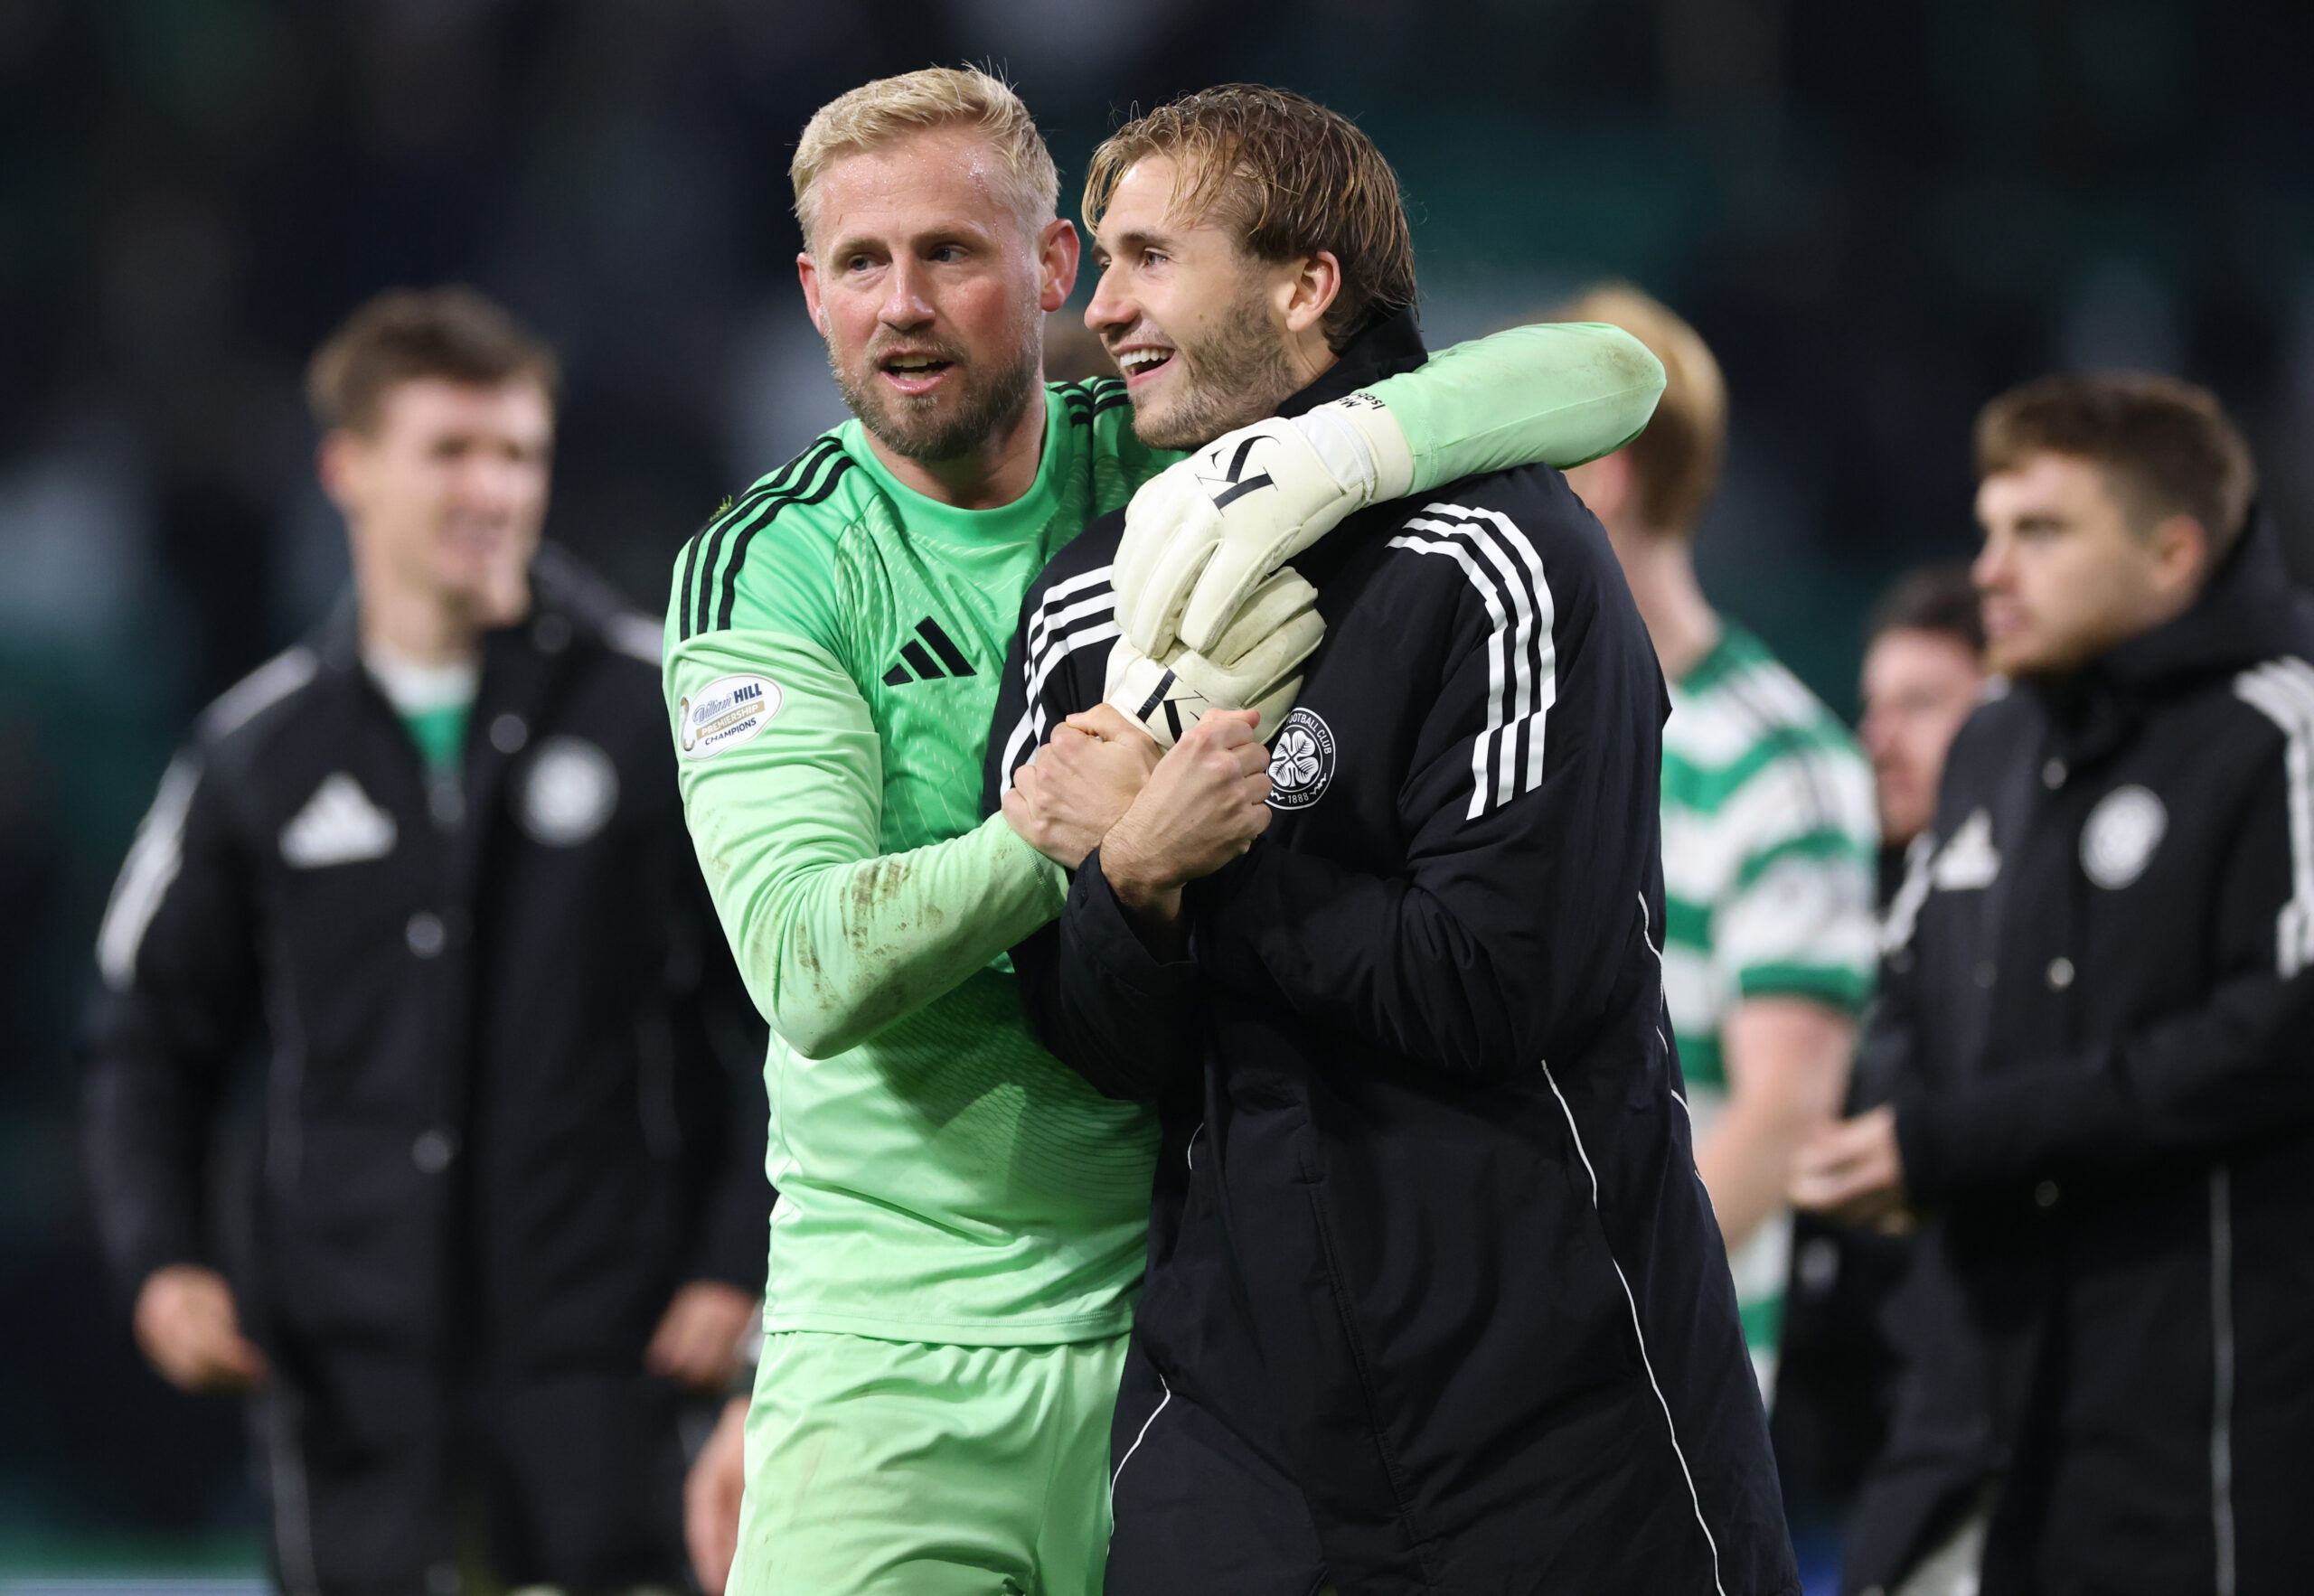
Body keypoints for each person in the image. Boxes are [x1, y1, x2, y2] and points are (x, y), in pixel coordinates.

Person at [663, 65, 1668, 1596]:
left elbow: (1611, 376)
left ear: (1052, 267)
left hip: (1188, 1331)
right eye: (861, 265)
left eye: (951, 252)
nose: (904, 305)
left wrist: (1330, 461)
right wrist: (1041, 842)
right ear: (811, 293)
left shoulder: (1177, 448)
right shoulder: (774, 565)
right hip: (896, 1348)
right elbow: (803, 962)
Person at [991, 85, 1793, 1594]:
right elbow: (1088, 1040)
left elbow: (1493, 984)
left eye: (1153, 259)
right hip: (1232, 1437)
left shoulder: (1506, 552)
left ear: (1306, 286)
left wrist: (1189, 863)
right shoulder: (1089, 601)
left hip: (1558, 1429)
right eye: (1103, 264)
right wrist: (1133, 893)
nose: (1104, 310)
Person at [83, 286, 770, 1595]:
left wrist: (741, 1259)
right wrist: (162, 1260)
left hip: (614, 1364)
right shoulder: (257, 752)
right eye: (450, 450)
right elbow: (143, 1037)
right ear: (347, 468)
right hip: (352, 1381)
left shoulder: (660, 713)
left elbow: (780, 1016)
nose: (493, 488)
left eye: (518, 452)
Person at [1792, 373, 2314, 1596]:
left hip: (2215, 1443)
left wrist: (1956, 1141)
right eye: (1988, 528)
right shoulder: (1995, 742)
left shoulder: (2281, 733)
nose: (1991, 569)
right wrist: (1900, 1136)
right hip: (1989, 1420)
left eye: (2042, 531)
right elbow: (1911, 990)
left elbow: (2279, 1036)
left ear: (2173, 552)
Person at [1556, 282, 1878, 1394]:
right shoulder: (1513, 730)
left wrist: (1582, 1325)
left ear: (1602, 469)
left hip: (1652, 1402)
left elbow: (1784, 1114)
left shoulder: (1780, 763)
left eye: (1521, 458)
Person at [1772, 564, 1985, 1561]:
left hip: (1965, 1452)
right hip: (1836, 1441)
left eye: (1921, 704)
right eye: (1872, 704)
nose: (1876, 740)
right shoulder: (1846, 903)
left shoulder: (2030, 935)